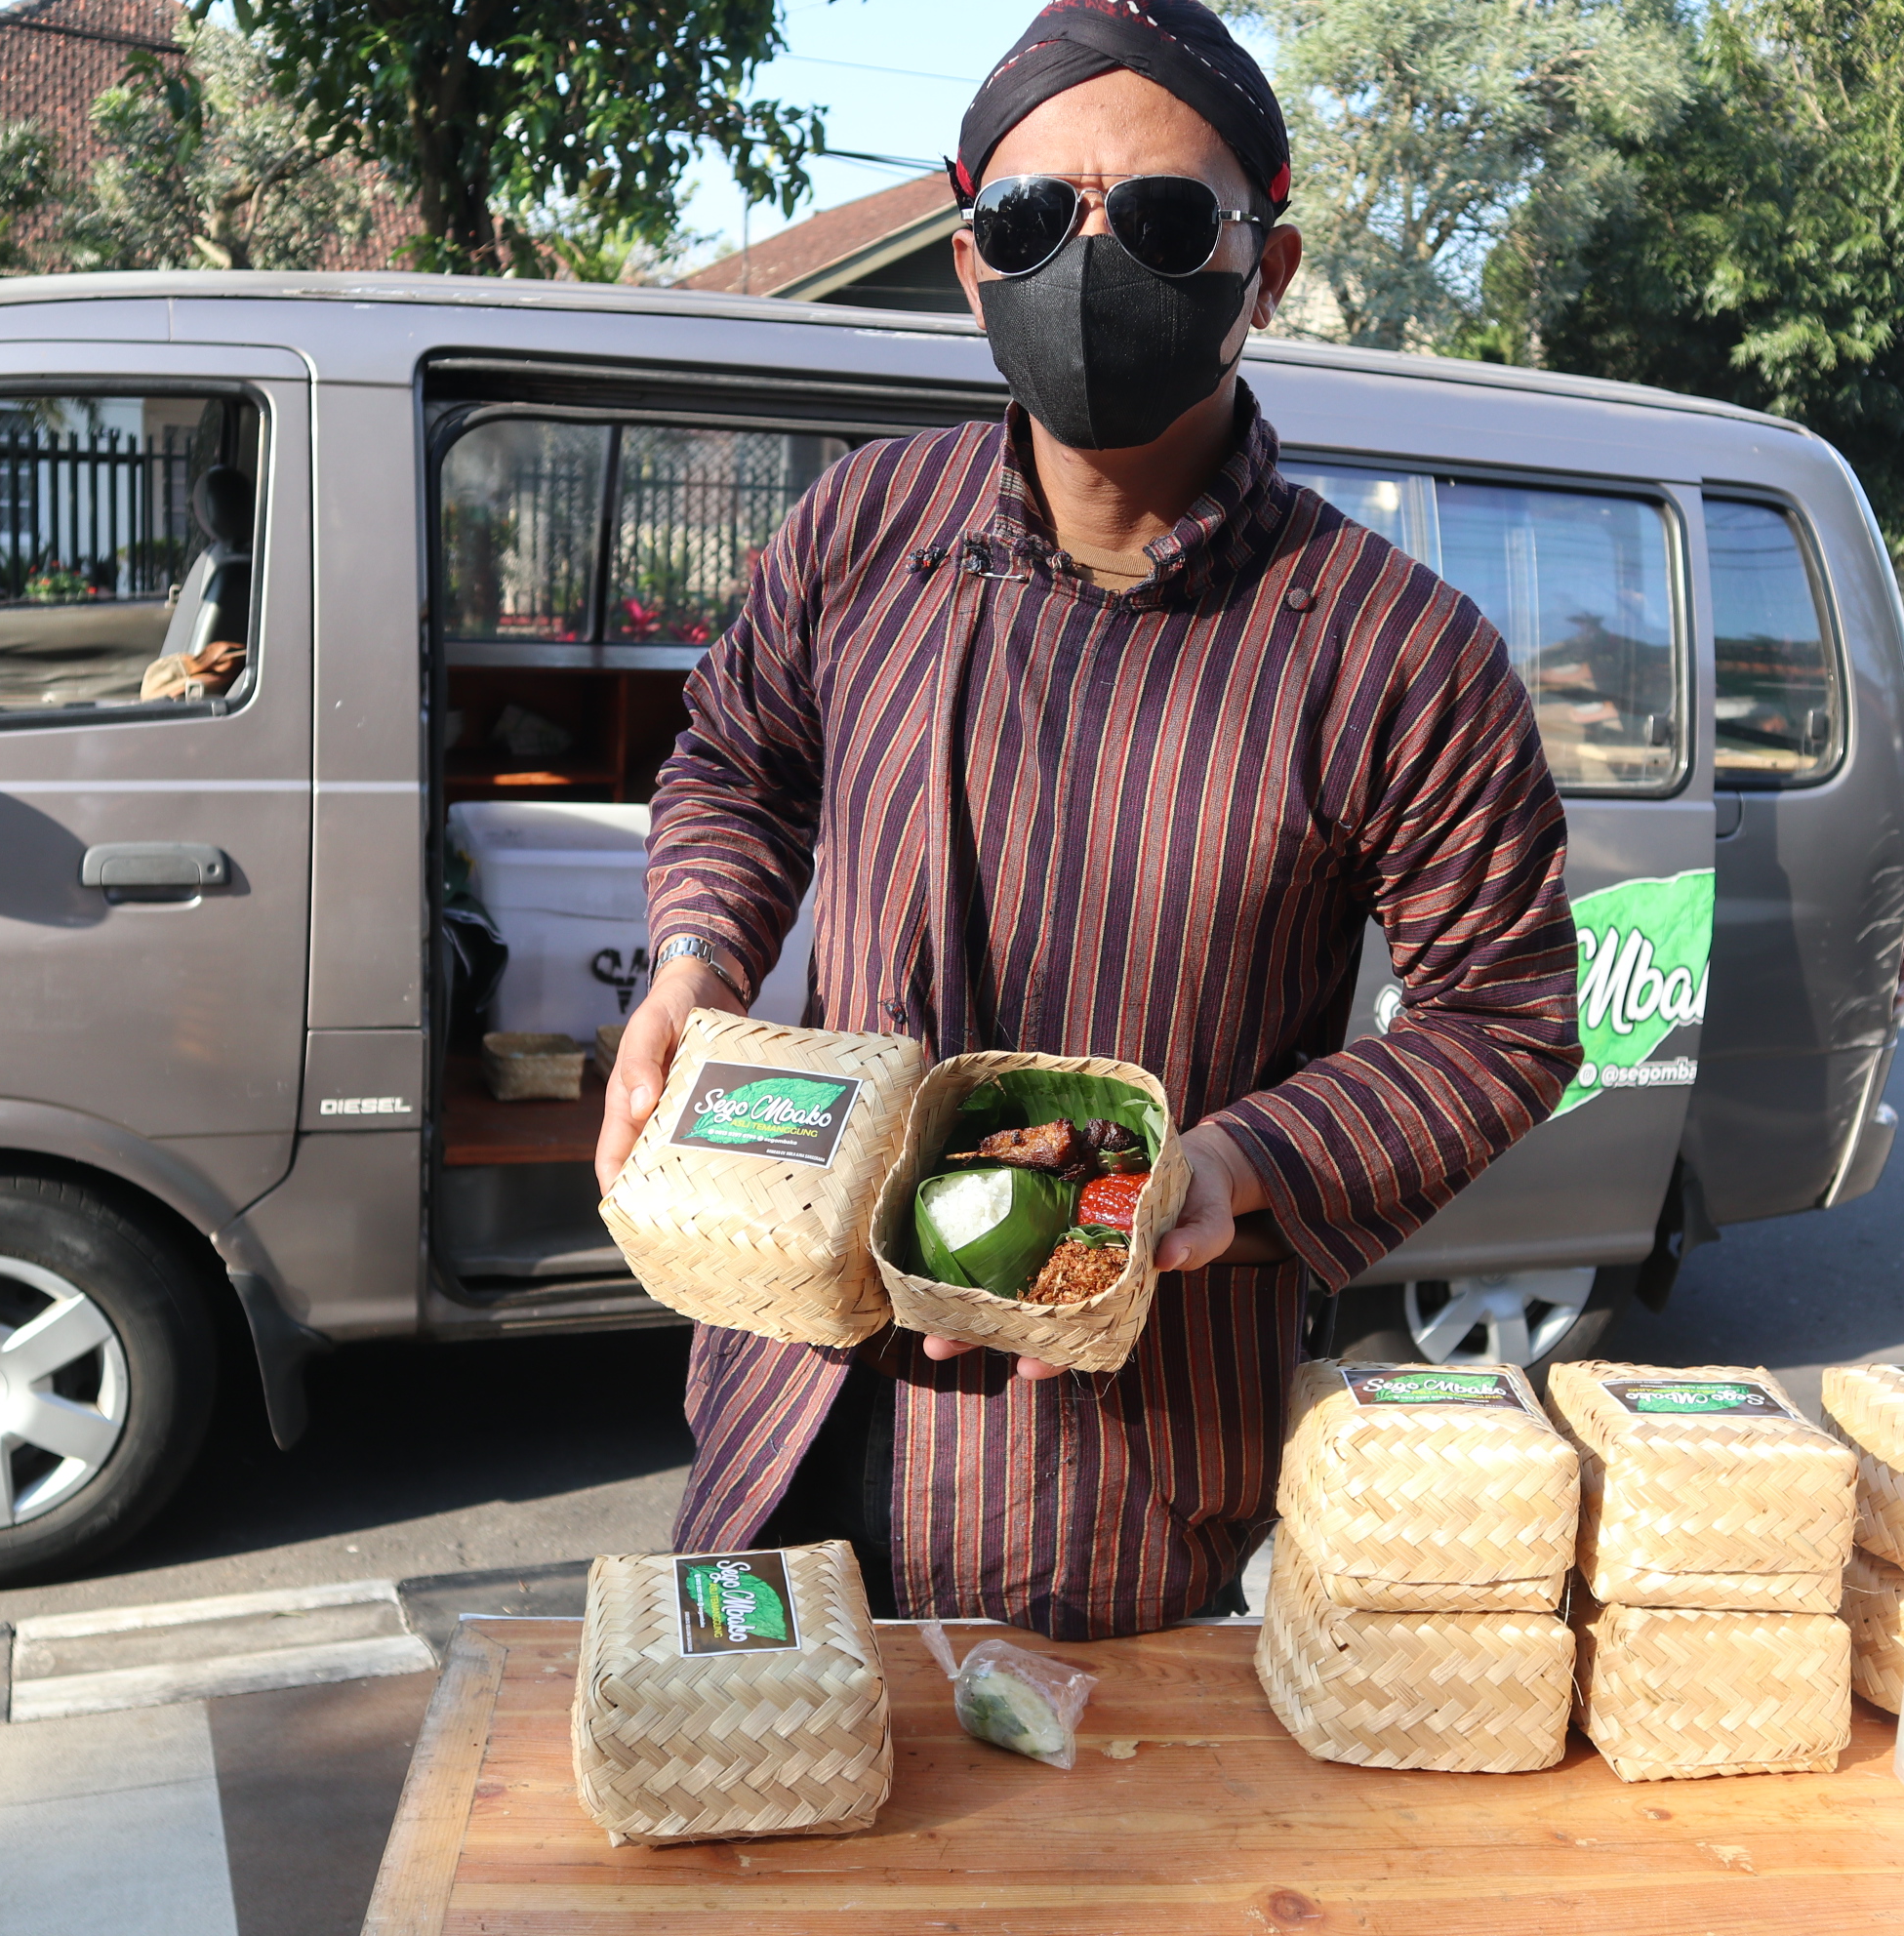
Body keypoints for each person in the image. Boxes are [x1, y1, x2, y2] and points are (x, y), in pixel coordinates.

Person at [593, 0, 1581, 1640]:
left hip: (1104, 1458)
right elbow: (735, 758)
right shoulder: (864, 529)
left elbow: (1507, 1016)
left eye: (1169, 218)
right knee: (761, 1812)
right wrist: (695, 962)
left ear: (1263, 266)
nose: (1090, 260)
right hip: (786, 1383)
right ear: (970, 249)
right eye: (1034, 215)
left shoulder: (1395, 648)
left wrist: (1237, 1161)